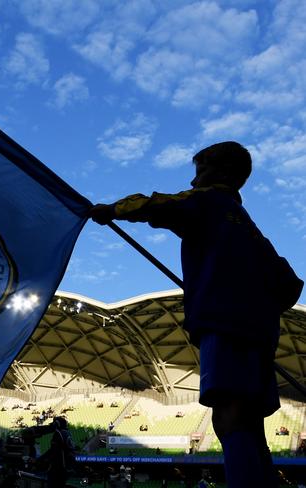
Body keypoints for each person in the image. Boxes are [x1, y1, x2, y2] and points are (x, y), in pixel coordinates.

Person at [87, 141, 304, 488]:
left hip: (224, 323)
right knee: (249, 423)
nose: (192, 181)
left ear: (226, 173)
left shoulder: (207, 202)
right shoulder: (248, 227)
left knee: (230, 418)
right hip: (260, 333)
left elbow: (156, 203)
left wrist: (109, 210)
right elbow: (289, 284)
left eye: (201, 171)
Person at [37, 417, 75, 488]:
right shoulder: (67, 433)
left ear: (57, 424)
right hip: (67, 467)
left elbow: (53, 451)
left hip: (59, 468)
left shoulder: (58, 434)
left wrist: (39, 460)